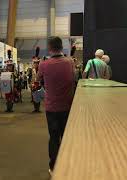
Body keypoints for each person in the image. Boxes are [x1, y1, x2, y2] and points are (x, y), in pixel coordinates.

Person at [38, 36, 75, 173]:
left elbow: (37, 79)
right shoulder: (70, 62)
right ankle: (68, 165)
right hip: (68, 107)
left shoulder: (44, 64)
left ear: (49, 48)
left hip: (51, 108)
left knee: (54, 138)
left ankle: (54, 166)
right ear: (61, 47)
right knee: (66, 136)